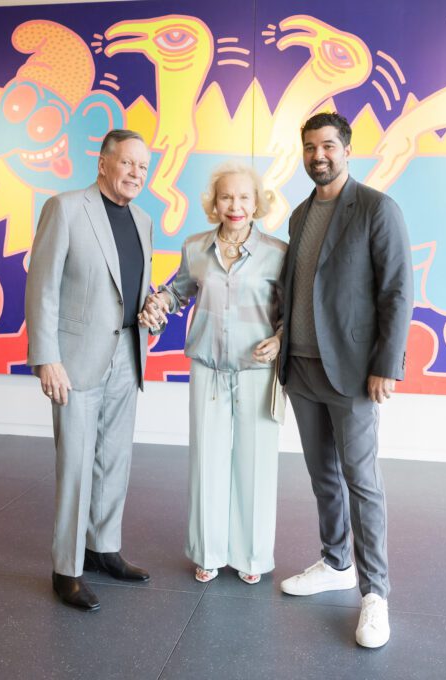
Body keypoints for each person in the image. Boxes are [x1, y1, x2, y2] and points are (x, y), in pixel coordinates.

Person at [276, 112, 413, 648]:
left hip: (354, 374)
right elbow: (297, 291)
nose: (318, 156)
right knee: (323, 477)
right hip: (302, 370)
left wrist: (387, 364)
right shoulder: (298, 215)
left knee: (362, 482)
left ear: (347, 150)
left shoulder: (377, 209)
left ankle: (375, 592)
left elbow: (397, 291)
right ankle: (336, 562)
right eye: (310, 147)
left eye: (328, 146)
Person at [25, 129, 154, 611]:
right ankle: (67, 570)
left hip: (127, 351)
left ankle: (103, 549)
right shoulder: (65, 207)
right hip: (75, 358)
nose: (137, 174)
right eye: (128, 164)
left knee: (114, 458)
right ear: (103, 163)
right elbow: (42, 286)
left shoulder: (142, 219)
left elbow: (130, 285)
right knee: (77, 462)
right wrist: (46, 357)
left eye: (144, 167)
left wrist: (150, 311)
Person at [140, 163, 286, 585]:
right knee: (207, 459)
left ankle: (252, 556)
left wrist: (279, 339)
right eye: (226, 197)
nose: (235, 206)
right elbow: (177, 291)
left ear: (256, 203)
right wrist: (158, 305)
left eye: (244, 198)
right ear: (214, 203)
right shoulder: (195, 248)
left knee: (255, 465)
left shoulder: (277, 252)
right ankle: (208, 551)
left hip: (258, 369)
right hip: (207, 366)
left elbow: (293, 313)